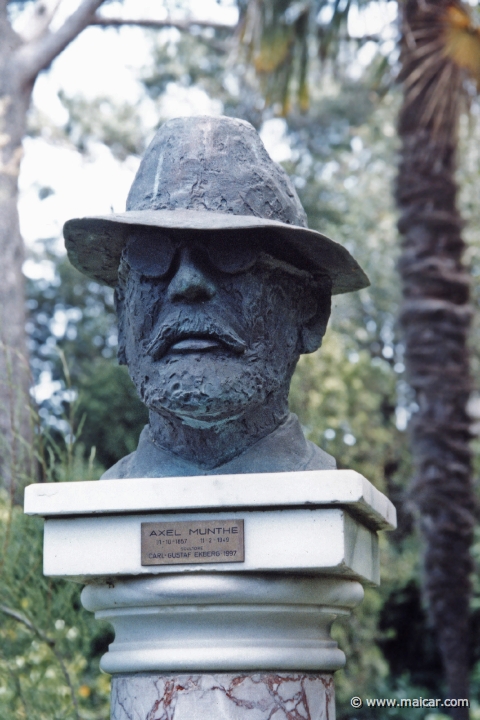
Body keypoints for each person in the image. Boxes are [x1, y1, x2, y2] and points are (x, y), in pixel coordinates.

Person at [63, 116, 369, 477]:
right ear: (121, 314)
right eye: (150, 256)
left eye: (232, 253)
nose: (187, 283)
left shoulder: (329, 496)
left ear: (311, 311)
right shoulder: (100, 512)